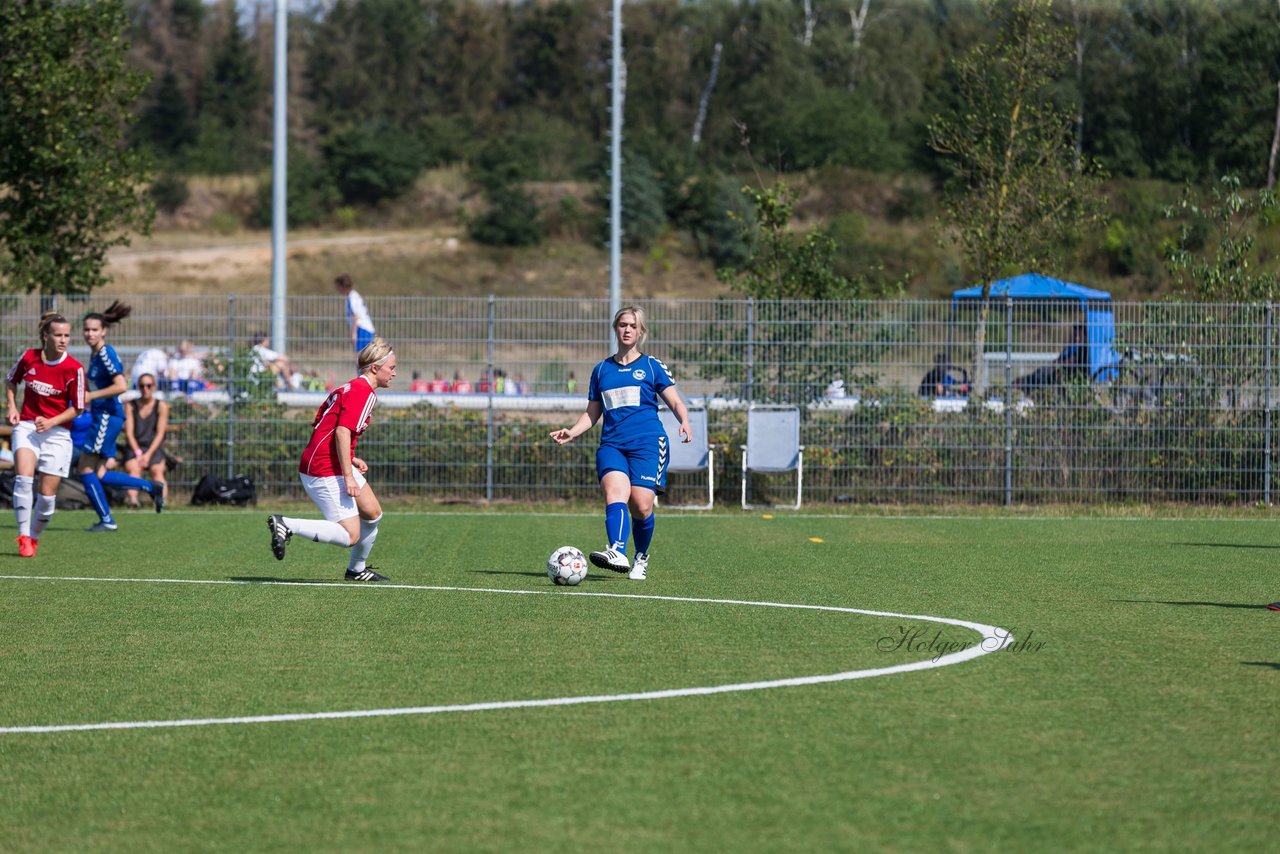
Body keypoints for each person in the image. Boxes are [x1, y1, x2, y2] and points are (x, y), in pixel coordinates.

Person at [549, 305, 692, 582]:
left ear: (640, 332)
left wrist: (684, 420)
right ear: (616, 328)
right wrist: (573, 432)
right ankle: (617, 550)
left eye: (632, 326)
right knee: (615, 492)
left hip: (649, 444)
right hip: (612, 445)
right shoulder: (601, 369)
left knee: (641, 506)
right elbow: (593, 412)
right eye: (622, 325)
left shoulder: (652, 366)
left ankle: (642, 557)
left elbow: (674, 400)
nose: (627, 330)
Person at [266, 337, 398, 582]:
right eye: (391, 367)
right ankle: (286, 524)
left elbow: (326, 427)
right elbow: (341, 431)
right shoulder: (364, 392)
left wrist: (350, 457)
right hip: (323, 468)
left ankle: (357, 570)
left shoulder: (350, 387)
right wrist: (348, 475)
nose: (394, 373)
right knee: (350, 535)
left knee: (372, 513)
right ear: (375, 368)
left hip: (331, 461)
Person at [78, 302, 165, 532]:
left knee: (85, 470)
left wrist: (91, 395)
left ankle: (107, 521)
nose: (89, 334)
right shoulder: (97, 354)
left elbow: (121, 385)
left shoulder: (105, 353)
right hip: (103, 416)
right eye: (86, 329)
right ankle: (150, 487)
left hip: (106, 416)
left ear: (103, 331)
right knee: (99, 472)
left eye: (94, 330)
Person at [5, 311, 85, 557]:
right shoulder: (29, 357)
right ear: (45, 336)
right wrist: (12, 406)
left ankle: (35, 536)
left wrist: (52, 421)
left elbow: (78, 407)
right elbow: (11, 381)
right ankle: (23, 537)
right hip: (28, 427)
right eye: (58, 335)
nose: (63, 340)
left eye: (67, 335)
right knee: (23, 479)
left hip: (58, 432)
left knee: (47, 497)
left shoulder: (74, 368)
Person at [122, 373, 170, 508]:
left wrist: (148, 455)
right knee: (134, 469)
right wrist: (138, 453)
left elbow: (160, 434)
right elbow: (129, 433)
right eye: (142, 386)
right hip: (135, 447)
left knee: (157, 470)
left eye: (149, 386)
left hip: (154, 447)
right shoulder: (130, 406)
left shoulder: (161, 406)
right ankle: (132, 501)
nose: (145, 389)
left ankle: (161, 501)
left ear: (154, 386)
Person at [335, 273, 376, 353]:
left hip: (363, 329)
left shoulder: (352, 297)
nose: (337, 289)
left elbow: (355, 316)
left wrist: (354, 334)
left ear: (343, 286)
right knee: (364, 357)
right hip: (363, 329)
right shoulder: (351, 296)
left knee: (362, 356)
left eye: (338, 287)